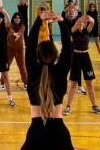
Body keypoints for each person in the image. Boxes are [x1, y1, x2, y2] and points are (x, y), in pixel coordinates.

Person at [22, 10, 73, 149]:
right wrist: (62, 22)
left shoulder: (33, 71)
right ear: (56, 55)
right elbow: (68, 47)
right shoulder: (61, 72)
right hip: (60, 133)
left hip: (36, 134)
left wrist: (40, 19)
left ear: (37, 56)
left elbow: (30, 45)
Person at [63, 13, 100, 116]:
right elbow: (77, 23)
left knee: (89, 83)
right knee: (73, 84)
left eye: (83, 22)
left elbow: (93, 22)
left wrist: (89, 18)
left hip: (86, 57)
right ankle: (68, 107)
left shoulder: (87, 31)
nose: (81, 23)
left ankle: (94, 106)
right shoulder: (73, 30)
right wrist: (81, 19)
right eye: (79, 22)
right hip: (76, 57)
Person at [7, 12, 27, 89]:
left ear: (20, 19)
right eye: (15, 18)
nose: (17, 19)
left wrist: (17, 34)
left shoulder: (22, 25)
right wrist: (14, 34)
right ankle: (2, 84)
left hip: (19, 49)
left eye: (18, 18)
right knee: (6, 66)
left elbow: (21, 32)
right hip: (10, 48)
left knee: (22, 67)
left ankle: (26, 83)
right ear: (13, 19)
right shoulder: (10, 25)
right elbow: (11, 31)